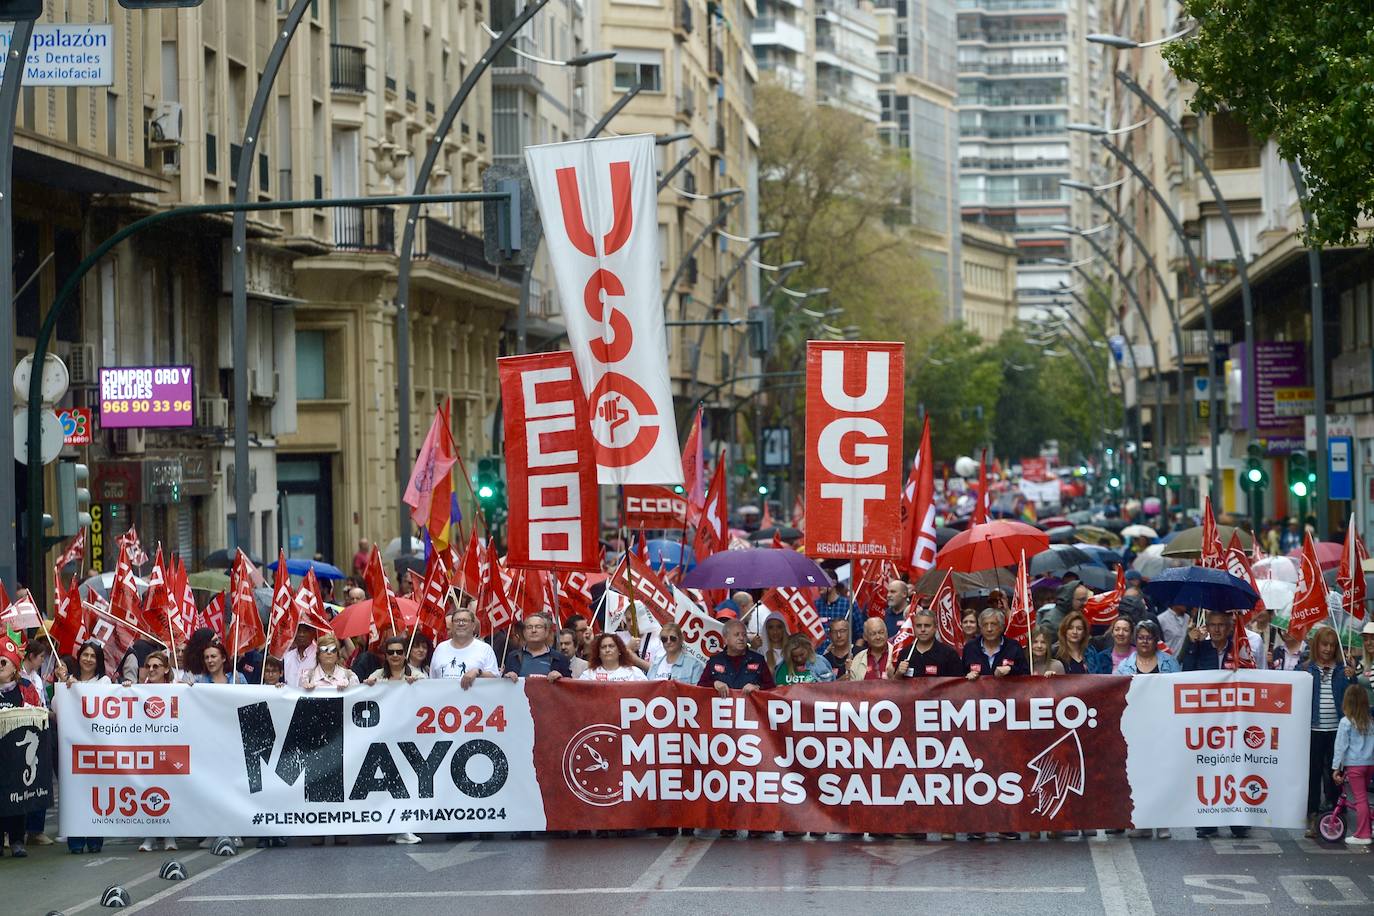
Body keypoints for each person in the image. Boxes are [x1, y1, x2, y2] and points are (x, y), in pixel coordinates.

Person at [0, 634, 42, 858]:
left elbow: (38, 712)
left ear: (14, 667)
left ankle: (17, 840)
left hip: (17, 754)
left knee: (17, 797)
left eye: (3, 662)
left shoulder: (25, 687)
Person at [1304, 626, 1349, 838]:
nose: (1328, 649)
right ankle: (1312, 815)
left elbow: (1352, 698)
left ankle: (1335, 813)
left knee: (1334, 774)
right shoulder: (1306, 669)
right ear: (1316, 645)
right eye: (1324, 644)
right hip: (1313, 730)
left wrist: (1352, 676)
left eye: (1332, 645)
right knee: (1312, 774)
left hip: (1337, 731)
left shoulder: (1343, 669)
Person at [136, 652, 180, 853]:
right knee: (146, 791)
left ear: (166, 669)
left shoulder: (176, 689)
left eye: (156, 666)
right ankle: (150, 837)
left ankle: (170, 836)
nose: (152, 670)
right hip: (145, 747)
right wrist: (125, 690)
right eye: (149, 666)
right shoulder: (138, 691)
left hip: (170, 748)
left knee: (169, 791)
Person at [1332, 684, 1374, 846]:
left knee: (1360, 799)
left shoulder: (1346, 722)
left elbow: (1340, 747)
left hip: (1355, 765)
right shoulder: (1370, 722)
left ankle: (1363, 834)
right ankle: (1369, 827)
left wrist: (1336, 768)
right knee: (1365, 797)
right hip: (1370, 763)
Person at [697, 620, 775, 695]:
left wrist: (758, 688)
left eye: (744, 635)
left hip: (750, 708)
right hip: (724, 707)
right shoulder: (714, 661)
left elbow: (772, 688)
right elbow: (700, 687)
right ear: (725, 639)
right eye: (736, 634)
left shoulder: (758, 660)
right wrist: (714, 684)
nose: (741, 638)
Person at [429, 607, 500, 688]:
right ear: (451, 626)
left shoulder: (485, 649)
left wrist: (478, 672)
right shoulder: (440, 648)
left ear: (473, 626)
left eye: (465, 620)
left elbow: (496, 680)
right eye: (457, 621)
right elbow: (431, 681)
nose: (461, 623)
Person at [893, 609, 963, 679]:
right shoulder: (905, 653)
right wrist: (898, 674)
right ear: (914, 628)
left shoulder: (949, 654)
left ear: (935, 627)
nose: (922, 629)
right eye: (919, 626)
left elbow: (957, 684)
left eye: (927, 626)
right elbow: (896, 685)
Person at [962, 609, 1029, 679]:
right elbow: (960, 676)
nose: (989, 629)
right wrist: (967, 676)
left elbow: (1026, 675)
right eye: (985, 625)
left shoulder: (1013, 647)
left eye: (993, 624)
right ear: (980, 628)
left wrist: (1011, 669)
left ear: (1001, 627)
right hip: (977, 689)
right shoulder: (970, 648)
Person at [503, 613, 571, 681]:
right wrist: (507, 677)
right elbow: (503, 686)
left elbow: (570, 687)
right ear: (524, 632)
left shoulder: (559, 658)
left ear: (546, 631)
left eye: (538, 627)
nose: (533, 630)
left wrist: (561, 678)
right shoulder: (513, 657)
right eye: (529, 627)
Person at [1115, 620, 1181, 676]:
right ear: (1135, 640)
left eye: (1149, 638)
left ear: (1156, 640)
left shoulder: (1170, 662)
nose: (1145, 641)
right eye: (1141, 638)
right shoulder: (1124, 666)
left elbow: (1177, 685)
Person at [580, 633, 648, 682]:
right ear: (598, 653)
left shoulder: (635, 673)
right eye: (603, 647)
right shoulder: (588, 675)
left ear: (619, 650)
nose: (607, 650)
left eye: (611, 646)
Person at [281, 623, 318, 688]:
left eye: (305, 631)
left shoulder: (319, 655)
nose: (301, 634)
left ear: (313, 633)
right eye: (298, 631)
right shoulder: (287, 656)